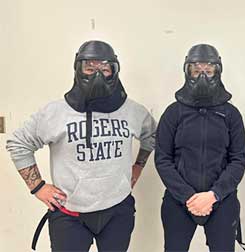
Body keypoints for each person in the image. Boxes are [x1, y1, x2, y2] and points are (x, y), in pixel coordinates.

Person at [6, 40, 157, 251]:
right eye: (90, 67)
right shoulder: (55, 112)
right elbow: (19, 143)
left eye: (104, 68)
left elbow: (152, 136)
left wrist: (138, 167)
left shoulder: (133, 111)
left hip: (118, 211)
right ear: (78, 69)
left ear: (114, 71)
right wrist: (37, 187)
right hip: (70, 216)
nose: (97, 74)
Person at [155, 44, 245, 252]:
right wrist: (187, 196)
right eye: (196, 71)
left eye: (208, 71)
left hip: (221, 200)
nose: (202, 77)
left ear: (218, 71)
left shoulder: (231, 114)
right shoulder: (173, 113)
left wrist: (214, 195)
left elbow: (238, 159)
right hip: (179, 201)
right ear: (187, 72)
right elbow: (162, 159)